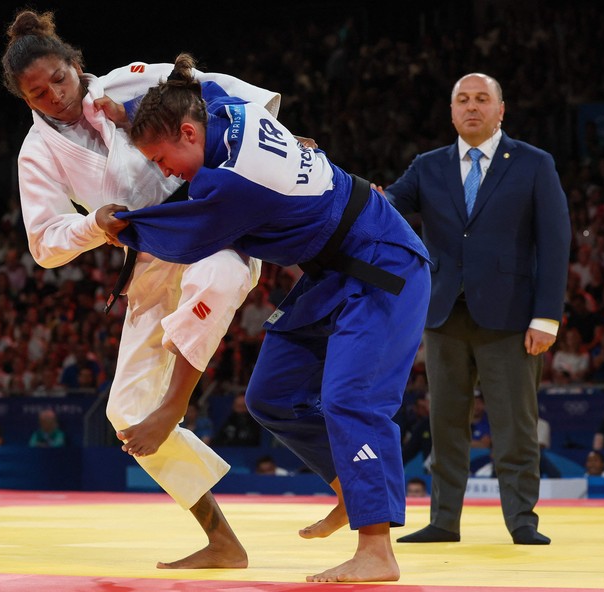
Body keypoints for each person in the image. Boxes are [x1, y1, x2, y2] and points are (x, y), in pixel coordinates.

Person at [99, 53, 431, 583]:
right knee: (271, 395)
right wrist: (132, 110)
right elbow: (198, 91)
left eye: (162, 159)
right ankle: (351, 487)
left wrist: (120, 226)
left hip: (382, 262)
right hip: (332, 270)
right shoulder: (229, 110)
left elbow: (186, 235)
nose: (164, 173)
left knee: (351, 399)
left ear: (189, 133)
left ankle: (377, 550)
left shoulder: (231, 183)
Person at [1, 10, 281, 569]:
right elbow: (44, 243)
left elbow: (232, 96)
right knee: (126, 413)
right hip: (149, 257)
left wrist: (273, 142)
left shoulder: (132, 80)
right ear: (25, 100)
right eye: (37, 93)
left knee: (220, 276)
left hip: (210, 226)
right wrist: (92, 225)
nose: (54, 95)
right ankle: (221, 539)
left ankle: (177, 399)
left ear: (75, 63)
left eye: (58, 77)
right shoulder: (37, 154)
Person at [382, 73, 570, 546]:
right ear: (451, 112)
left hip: (511, 318)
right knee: (444, 426)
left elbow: (554, 241)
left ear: (500, 109)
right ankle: (444, 521)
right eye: (462, 100)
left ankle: (522, 521)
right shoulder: (427, 166)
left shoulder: (533, 163)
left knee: (515, 427)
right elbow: (384, 207)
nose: (472, 107)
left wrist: (546, 316)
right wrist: (327, 176)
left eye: (482, 99)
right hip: (444, 316)